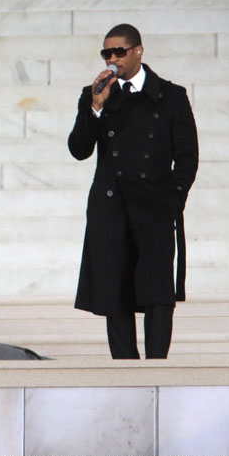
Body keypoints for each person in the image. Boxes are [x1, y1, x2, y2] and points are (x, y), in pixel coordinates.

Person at [67, 24, 198, 359]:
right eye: (106, 53)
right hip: (111, 210)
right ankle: (124, 370)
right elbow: (79, 149)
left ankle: (156, 368)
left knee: (157, 293)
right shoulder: (97, 94)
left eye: (119, 52)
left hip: (153, 208)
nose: (112, 59)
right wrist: (96, 108)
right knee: (115, 293)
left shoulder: (170, 96)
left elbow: (187, 157)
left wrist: (172, 200)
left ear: (138, 51)